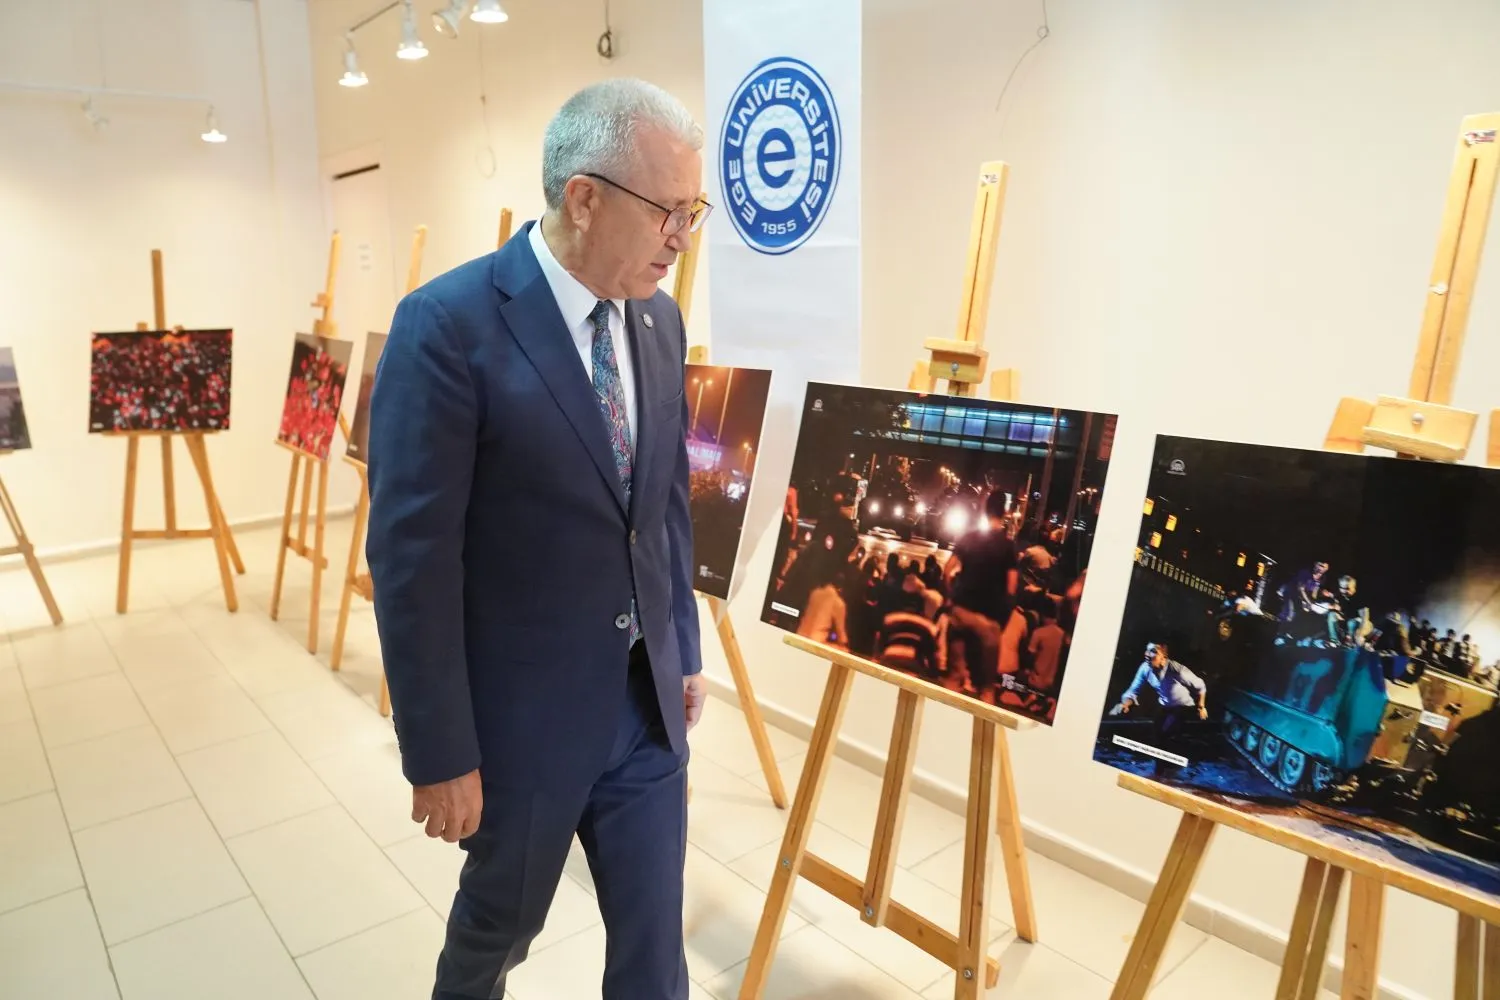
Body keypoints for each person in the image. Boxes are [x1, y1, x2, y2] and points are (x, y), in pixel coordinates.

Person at [365, 79, 711, 1000]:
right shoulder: (447, 326)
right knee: (497, 935)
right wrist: (438, 750)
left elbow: (665, 502)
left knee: (653, 951)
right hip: (523, 725)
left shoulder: (661, 322)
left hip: (644, 713)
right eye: (668, 212)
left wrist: (682, 638)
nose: (683, 238)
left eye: (694, 211)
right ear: (583, 197)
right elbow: (412, 561)